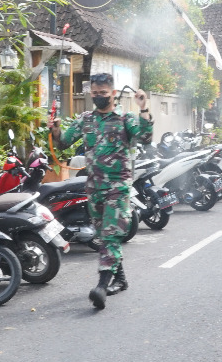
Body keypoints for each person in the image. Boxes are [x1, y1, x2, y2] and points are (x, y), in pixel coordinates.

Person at [50, 74, 154, 310]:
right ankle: (120, 278)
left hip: (118, 187)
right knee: (105, 237)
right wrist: (55, 130)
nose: (98, 97)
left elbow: (146, 137)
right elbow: (64, 142)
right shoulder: (86, 119)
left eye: (103, 93)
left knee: (110, 235)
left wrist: (144, 107)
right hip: (94, 188)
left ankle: (102, 285)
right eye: (94, 94)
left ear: (113, 93)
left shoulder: (125, 118)